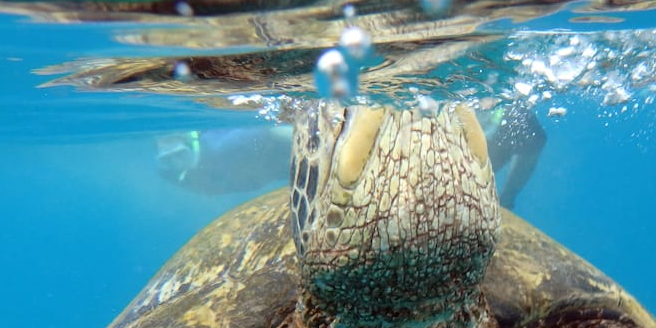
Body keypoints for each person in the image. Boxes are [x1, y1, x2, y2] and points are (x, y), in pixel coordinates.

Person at [156, 101, 547, 209]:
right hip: (299, 158)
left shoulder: (516, 130)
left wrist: (506, 198)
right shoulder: (421, 127)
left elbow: (527, 155)